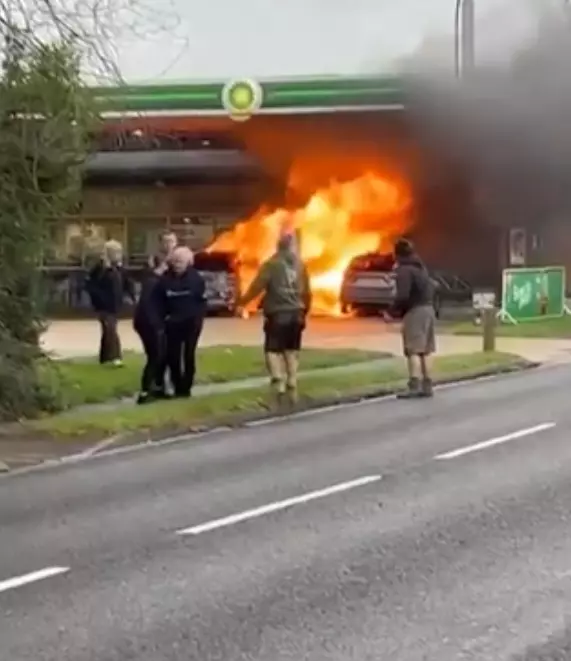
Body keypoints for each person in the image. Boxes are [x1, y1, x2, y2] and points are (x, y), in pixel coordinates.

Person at [238, 233, 312, 409]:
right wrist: (305, 311)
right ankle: (292, 380)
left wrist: (242, 302)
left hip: (278, 313)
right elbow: (307, 292)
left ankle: (278, 381)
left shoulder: (271, 265)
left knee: (272, 350)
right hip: (297, 313)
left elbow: (257, 286)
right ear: (292, 247)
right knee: (291, 350)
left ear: (278, 246)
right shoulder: (300, 265)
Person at [388, 237, 436, 399]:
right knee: (426, 350)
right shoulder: (420, 268)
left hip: (415, 311)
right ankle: (427, 385)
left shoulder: (404, 270)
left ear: (397, 254)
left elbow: (403, 295)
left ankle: (414, 386)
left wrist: (392, 311)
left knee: (413, 350)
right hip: (428, 309)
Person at [155, 246, 206, 398]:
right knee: (173, 355)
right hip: (172, 322)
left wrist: (198, 317)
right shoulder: (165, 279)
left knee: (188, 354)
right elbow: (159, 300)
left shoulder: (196, 279)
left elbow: (200, 301)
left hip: (191, 322)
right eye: (175, 261)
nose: (177, 265)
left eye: (181, 262)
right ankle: (177, 385)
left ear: (188, 262)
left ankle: (186, 386)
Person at [86, 240, 136, 366]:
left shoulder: (120, 269)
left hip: (115, 305)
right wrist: (99, 298)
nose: (118, 255)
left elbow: (127, 283)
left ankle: (104, 357)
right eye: (115, 252)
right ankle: (115, 356)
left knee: (107, 329)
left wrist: (131, 296)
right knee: (110, 328)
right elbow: (91, 285)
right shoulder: (100, 269)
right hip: (103, 305)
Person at [133, 255, 169, 404]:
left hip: (147, 323)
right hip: (150, 324)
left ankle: (157, 387)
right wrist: (157, 325)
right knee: (155, 357)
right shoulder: (154, 281)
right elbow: (148, 306)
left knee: (161, 356)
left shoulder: (151, 280)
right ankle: (146, 391)